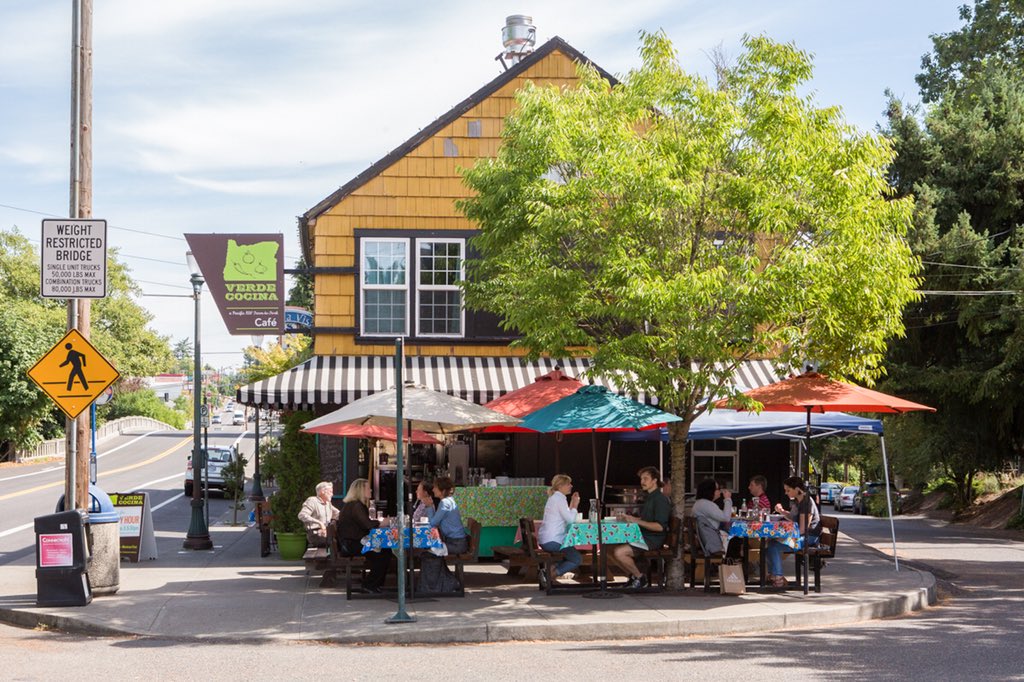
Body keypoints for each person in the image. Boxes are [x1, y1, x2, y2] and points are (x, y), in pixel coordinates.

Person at [609, 466, 671, 590]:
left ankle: (640, 578)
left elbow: (659, 527)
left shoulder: (660, 499)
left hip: (652, 539)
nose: (642, 481)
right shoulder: (650, 497)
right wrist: (630, 518)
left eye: (646, 478)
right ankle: (633, 577)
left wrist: (635, 521)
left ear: (654, 480)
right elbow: (646, 521)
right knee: (608, 548)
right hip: (643, 535)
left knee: (619, 552)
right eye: (641, 479)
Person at [765, 476, 822, 588]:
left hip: (808, 537)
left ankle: (778, 578)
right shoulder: (798, 500)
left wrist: (783, 536)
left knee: (775, 546)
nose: (786, 493)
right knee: (770, 543)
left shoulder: (806, 503)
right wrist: (781, 511)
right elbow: (793, 518)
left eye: (788, 490)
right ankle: (773, 575)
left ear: (797, 489)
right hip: (802, 534)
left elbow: (802, 529)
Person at [337, 478, 390, 594]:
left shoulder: (354, 505)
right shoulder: (356, 506)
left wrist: (378, 523)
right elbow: (367, 525)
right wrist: (382, 523)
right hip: (352, 544)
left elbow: (365, 524)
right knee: (381, 553)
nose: (370, 490)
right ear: (360, 490)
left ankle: (375, 584)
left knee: (385, 550)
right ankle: (369, 585)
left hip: (353, 542)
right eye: (367, 488)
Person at [419, 476, 467, 593]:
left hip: (456, 544)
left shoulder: (445, 503)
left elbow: (433, 523)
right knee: (429, 553)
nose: (433, 490)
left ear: (442, 490)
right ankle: (442, 584)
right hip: (454, 541)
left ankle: (441, 585)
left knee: (429, 554)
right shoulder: (447, 501)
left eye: (435, 488)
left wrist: (429, 507)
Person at [537, 474, 582, 581]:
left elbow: (566, 517)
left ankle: (551, 570)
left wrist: (572, 503)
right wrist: (575, 505)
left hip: (546, 540)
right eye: (568, 484)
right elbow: (571, 520)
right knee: (577, 559)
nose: (571, 486)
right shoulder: (559, 499)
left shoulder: (555, 498)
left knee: (572, 555)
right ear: (560, 486)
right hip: (553, 541)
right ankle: (551, 575)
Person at [692, 478, 732, 556]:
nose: (720, 491)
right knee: (736, 540)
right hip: (712, 542)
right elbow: (726, 518)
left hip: (706, 540)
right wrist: (727, 499)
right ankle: (733, 566)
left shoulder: (700, 503)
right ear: (710, 491)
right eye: (717, 489)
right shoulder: (706, 504)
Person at [297, 481, 340, 547]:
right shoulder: (312, 501)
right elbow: (301, 515)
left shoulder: (328, 503)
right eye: (330, 492)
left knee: (342, 540)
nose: (332, 494)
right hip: (315, 534)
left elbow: (338, 514)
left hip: (326, 533)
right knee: (338, 543)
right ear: (323, 492)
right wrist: (319, 522)